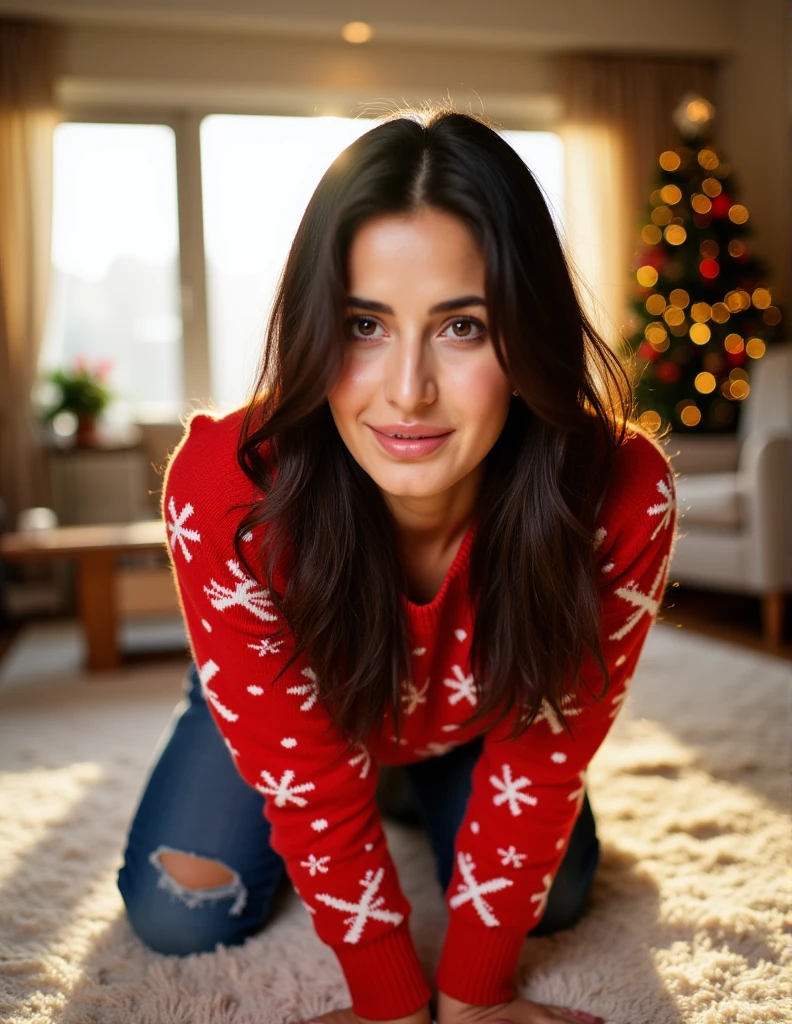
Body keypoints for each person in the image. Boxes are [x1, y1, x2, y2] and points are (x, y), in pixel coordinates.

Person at [117, 105, 678, 1024]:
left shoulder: (618, 493)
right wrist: (389, 998)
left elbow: (543, 756)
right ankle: (374, 786)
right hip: (294, 704)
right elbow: (299, 771)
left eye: (462, 328)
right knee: (183, 913)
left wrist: (474, 994)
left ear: (526, 335)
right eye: (364, 324)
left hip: (477, 715)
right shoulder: (225, 487)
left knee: (560, 901)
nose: (408, 390)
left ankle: (410, 788)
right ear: (313, 327)